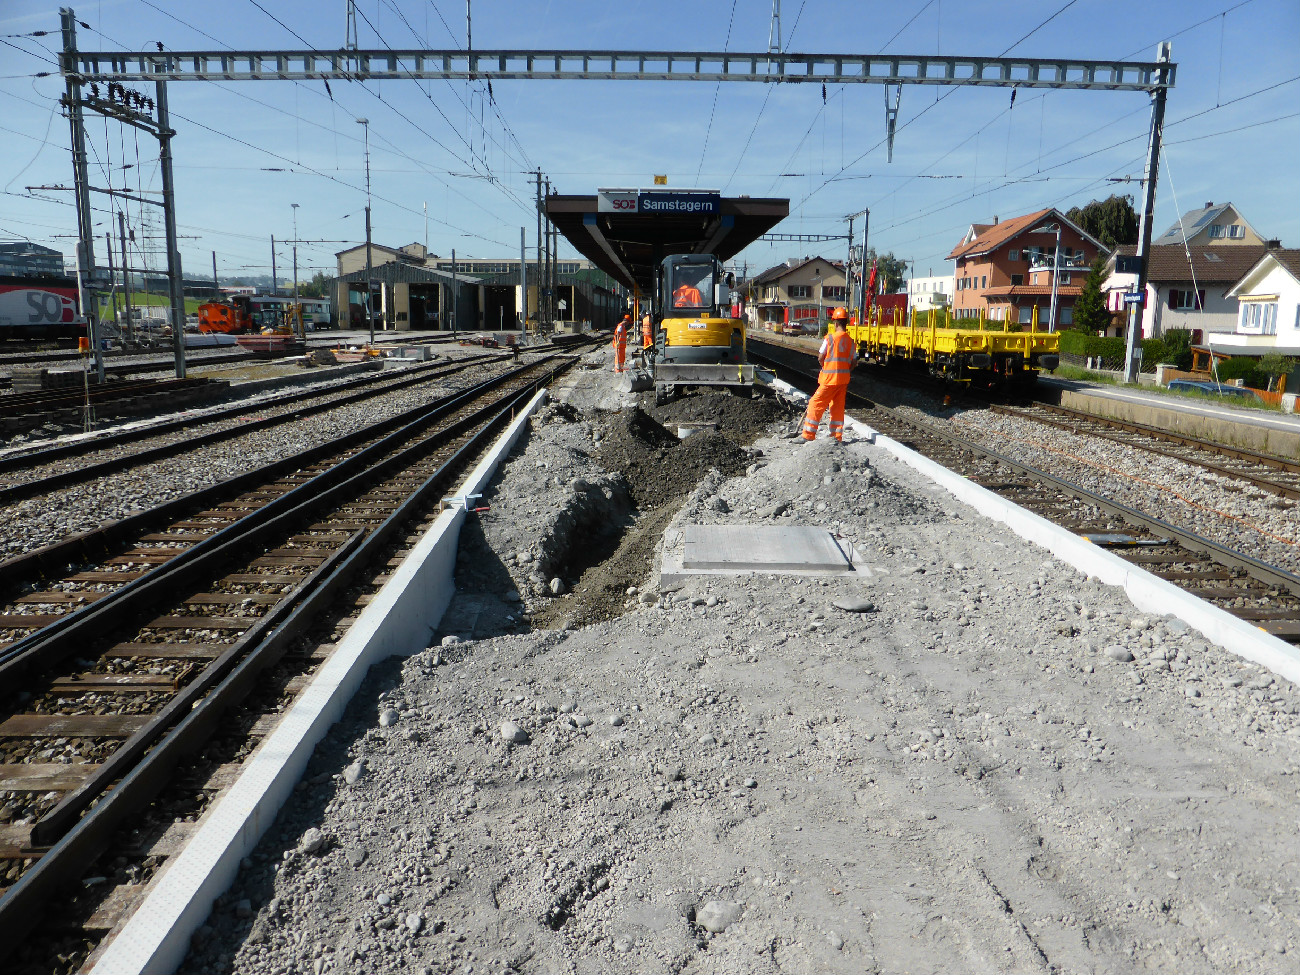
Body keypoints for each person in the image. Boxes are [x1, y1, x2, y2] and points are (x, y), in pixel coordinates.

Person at [801, 307, 855, 442]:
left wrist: (826, 368)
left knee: (815, 403)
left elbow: (821, 357)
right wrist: (846, 370)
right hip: (843, 380)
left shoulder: (829, 338)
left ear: (835, 323)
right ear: (846, 323)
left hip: (829, 379)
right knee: (837, 407)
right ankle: (836, 437)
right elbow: (854, 361)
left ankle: (808, 435)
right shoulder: (850, 340)